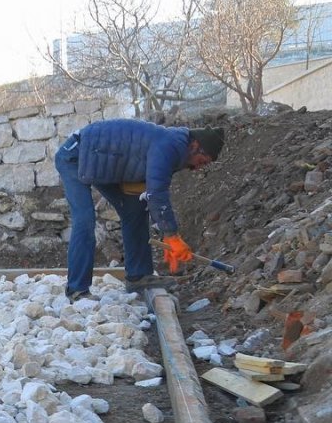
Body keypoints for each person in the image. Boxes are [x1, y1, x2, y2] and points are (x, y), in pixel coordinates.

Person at [54, 118, 224, 300]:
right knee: (85, 220)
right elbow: (157, 193)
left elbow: (150, 189)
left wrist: (168, 232)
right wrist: (171, 236)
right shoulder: (170, 146)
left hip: (103, 160)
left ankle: (138, 276)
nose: (198, 167)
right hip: (75, 156)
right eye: (202, 161)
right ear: (196, 145)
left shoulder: (178, 147)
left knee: (135, 209)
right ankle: (77, 289)